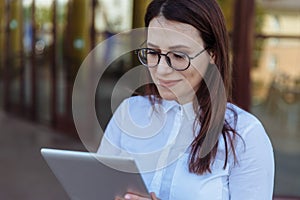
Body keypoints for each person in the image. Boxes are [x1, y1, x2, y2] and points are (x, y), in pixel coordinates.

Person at [97, 0, 275, 199]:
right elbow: (96, 190)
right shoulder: (129, 113)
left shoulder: (245, 135)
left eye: (179, 56)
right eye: (153, 53)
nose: (162, 70)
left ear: (212, 55)